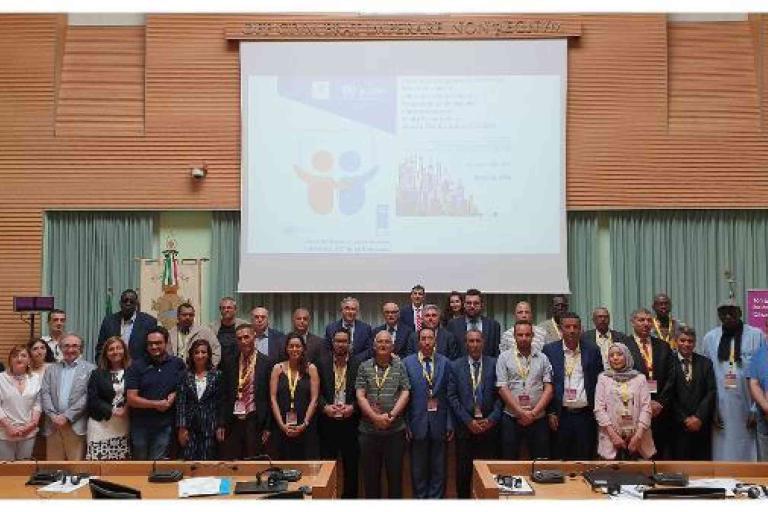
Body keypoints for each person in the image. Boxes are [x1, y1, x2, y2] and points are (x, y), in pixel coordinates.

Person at [702, 302, 766, 461]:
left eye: (731, 312)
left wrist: (755, 409)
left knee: (749, 447)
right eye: (723, 312)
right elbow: (706, 376)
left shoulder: (755, 335)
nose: (727, 316)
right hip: (721, 404)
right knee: (722, 447)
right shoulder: (710, 338)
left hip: (748, 402)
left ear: (740, 313)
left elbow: (762, 373)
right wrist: (712, 408)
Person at [355, 330, 410, 499]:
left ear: (392, 346)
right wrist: (375, 417)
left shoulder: (400, 365)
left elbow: (405, 392)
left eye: (387, 342)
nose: (383, 344)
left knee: (395, 479)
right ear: (374, 345)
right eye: (380, 341)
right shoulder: (364, 366)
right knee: (370, 481)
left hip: (394, 431)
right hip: (368, 432)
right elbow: (360, 395)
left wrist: (391, 415)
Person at [447, 330, 501, 499]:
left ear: (483, 343)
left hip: (489, 428)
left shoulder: (495, 363)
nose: (475, 344)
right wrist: (468, 421)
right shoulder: (455, 365)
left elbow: (502, 394)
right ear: (466, 344)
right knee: (463, 474)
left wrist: (492, 419)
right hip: (465, 429)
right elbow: (452, 396)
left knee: (488, 475)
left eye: (478, 340)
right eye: (471, 341)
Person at [543, 312, 603, 460]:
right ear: (561, 329)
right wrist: (550, 412)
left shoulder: (592, 350)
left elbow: (599, 382)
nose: (571, 330)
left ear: (581, 329)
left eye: (575, 327)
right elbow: (544, 384)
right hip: (559, 415)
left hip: (585, 415)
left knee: (584, 459)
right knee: (559, 458)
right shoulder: (549, 350)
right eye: (567, 327)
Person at [403, 326, 453, 498]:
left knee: (439, 469)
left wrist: (449, 423)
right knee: (418, 470)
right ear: (418, 342)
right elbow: (404, 397)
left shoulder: (446, 362)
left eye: (429, 338)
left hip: (439, 423)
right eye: (423, 338)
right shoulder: (407, 363)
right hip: (417, 424)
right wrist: (407, 424)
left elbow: (449, 395)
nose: (426, 342)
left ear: (435, 341)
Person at [125, 326, 186, 460]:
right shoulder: (136, 366)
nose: (154, 347)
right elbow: (131, 398)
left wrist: (174, 395)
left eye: (158, 343)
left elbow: (184, 387)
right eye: (150, 344)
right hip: (140, 425)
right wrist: (156, 404)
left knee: (158, 465)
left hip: (165, 425)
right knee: (140, 468)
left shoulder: (177, 364)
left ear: (166, 343)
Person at [623, 307, 675, 459]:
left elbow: (671, 378)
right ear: (632, 322)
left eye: (649, 320)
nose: (646, 323)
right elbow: (621, 378)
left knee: (659, 454)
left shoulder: (663, 346)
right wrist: (644, 404)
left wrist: (660, 402)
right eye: (641, 320)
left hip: (659, 411)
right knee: (635, 454)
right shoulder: (623, 345)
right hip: (635, 410)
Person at [496, 320, 553, 459]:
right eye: (520, 335)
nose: (524, 338)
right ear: (514, 336)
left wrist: (533, 414)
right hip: (512, 418)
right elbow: (502, 387)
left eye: (527, 335)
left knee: (540, 462)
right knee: (509, 462)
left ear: (533, 336)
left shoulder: (543, 358)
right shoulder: (504, 358)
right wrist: (521, 412)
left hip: (538, 418)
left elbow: (549, 389)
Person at [217, 324, 272, 459]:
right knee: (234, 464)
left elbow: (271, 397)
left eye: (246, 337)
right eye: (239, 338)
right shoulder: (230, 363)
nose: (243, 341)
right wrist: (221, 423)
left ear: (254, 336)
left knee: (253, 463)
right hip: (233, 421)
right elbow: (223, 395)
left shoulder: (267, 363)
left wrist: (268, 427)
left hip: (256, 419)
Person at [318, 328, 361, 498]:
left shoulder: (359, 364)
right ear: (332, 343)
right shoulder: (321, 363)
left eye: (344, 341)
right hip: (327, 423)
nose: (341, 344)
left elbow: (366, 392)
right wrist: (324, 407)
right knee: (328, 467)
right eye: (338, 341)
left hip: (351, 423)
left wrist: (354, 407)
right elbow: (316, 392)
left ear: (350, 344)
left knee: (351, 468)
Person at [594, 343, 655, 460]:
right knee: (611, 476)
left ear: (627, 356)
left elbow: (646, 408)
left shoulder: (640, 378)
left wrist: (637, 436)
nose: (615, 358)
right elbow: (599, 409)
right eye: (611, 355)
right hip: (611, 439)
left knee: (640, 476)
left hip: (638, 440)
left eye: (619, 354)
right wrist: (613, 436)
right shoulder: (603, 378)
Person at [41, 333, 95, 460]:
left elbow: (87, 397)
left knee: (75, 469)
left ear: (81, 349)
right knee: (53, 469)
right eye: (66, 346)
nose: (70, 349)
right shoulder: (51, 369)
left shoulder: (90, 369)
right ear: (60, 348)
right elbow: (45, 393)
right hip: (53, 425)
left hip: (75, 425)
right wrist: (54, 416)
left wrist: (67, 416)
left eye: (75, 346)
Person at [269, 332, 320, 460]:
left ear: (303, 348)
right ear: (286, 348)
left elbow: (314, 399)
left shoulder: (311, 368)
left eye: (298, 346)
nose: (294, 349)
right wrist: (281, 425)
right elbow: (273, 398)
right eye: (291, 346)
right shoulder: (277, 368)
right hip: (282, 427)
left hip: (306, 426)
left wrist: (304, 423)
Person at [671, 326, 716, 460]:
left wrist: (698, 417)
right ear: (676, 341)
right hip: (677, 427)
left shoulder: (705, 363)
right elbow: (668, 395)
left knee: (702, 471)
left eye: (690, 341)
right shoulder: (668, 362)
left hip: (701, 426)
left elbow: (711, 391)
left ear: (695, 343)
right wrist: (684, 419)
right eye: (682, 340)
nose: (686, 344)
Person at [86, 336, 130, 460]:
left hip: (123, 423)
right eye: (111, 349)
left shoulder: (132, 372)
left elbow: (136, 393)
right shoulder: (97, 373)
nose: (115, 351)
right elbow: (92, 399)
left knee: (119, 465)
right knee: (97, 464)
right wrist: (113, 410)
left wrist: (126, 408)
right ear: (106, 353)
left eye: (118, 348)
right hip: (100, 423)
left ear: (124, 351)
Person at [177, 338, 222, 460]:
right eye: (196, 352)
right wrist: (182, 427)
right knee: (190, 462)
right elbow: (181, 402)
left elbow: (220, 403)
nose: (200, 355)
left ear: (209, 355)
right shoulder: (184, 375)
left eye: (203, 352)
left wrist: (220, 426)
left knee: (208, 462)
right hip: (190, 426)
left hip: (210, 426)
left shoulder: (217, 375)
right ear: (191, 355)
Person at [0, 345, 42, 460]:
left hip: (28, 432)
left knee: (24, 469)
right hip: (4, 433)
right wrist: (9, 427)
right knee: (7, 471)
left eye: (23, 355)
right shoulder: (1, 378)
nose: (19, 359)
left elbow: (37, 404)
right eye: (15, 356)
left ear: (29, 360)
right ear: (10, 360)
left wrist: (32, 424)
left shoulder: (35, 378)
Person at [97, 289, 158, 362]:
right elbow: (101, 349)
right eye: (125, 301)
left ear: (136, 304)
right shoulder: (109, 321)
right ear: (120, 303)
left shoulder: (149, 322)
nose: (128, 303)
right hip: (112, 369)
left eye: (131, 301)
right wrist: (103, 368)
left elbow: (152, 349)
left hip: (139, 370)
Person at [448, 289, 501, 358]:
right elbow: (451, 352)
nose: (472, 306)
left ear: (482, 305)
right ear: (464, 305)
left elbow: (496, 353)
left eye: (476, 303)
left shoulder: (493, 325)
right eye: (469, 303)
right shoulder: (453, 325)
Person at [168, 303, 220, 367]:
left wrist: (209, 368)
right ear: (178, 316)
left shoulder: (205, 332)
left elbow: (216, 351)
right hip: (176, 371)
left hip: (197, 373)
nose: (188, 317)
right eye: (184, 315)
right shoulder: (170, 334)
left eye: (191, 315)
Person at [209, 296, 248, 364]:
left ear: (235, 309)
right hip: (218, 368)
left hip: (240, 367)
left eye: (229, 307)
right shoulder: (212, 328)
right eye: (223, 308)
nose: (226, 310)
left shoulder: (245, 326)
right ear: (220, 310)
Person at [748, 330, 768, 460]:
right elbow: (754, 383)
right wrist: (766, 407)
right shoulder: (758, 355)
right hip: (765, 416)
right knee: (765, 462)